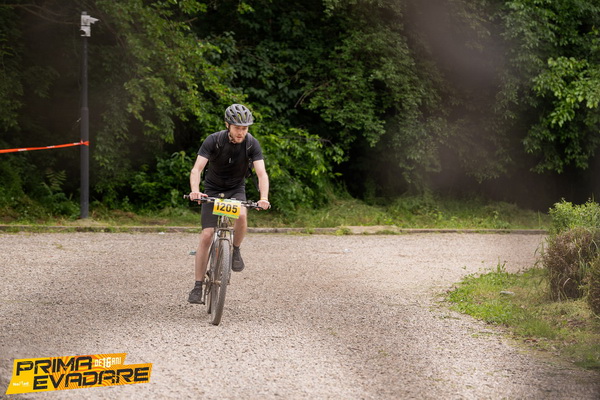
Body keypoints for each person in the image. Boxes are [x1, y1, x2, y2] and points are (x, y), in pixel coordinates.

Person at [187, 104, 270, 304]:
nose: (241, 132)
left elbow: (261, 173)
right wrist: (195, 190)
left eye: (244, 128)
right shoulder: (214, 140)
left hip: (235, 189)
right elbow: (197, 169)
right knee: (207, 235)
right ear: (227, 125)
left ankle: (236, 249)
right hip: (212, 190)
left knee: (241, 215)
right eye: (237, 128)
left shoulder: (251, 144)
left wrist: (264, 198)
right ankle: (198, 286)